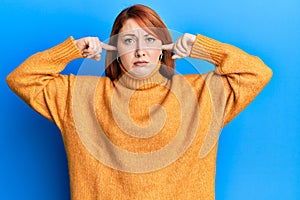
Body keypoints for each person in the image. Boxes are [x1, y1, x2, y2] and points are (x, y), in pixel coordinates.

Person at [6, 4, 272, 200]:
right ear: (115, 50)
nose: (140, 50)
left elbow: (257, 73)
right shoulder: (78, 96)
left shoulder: (201, 92)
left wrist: (203, 48)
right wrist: (73, 50)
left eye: (150, 39)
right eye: (128, 41)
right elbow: (22, 79)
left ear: (164, 48)